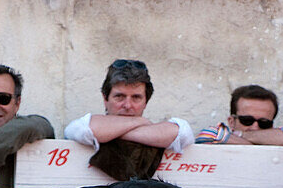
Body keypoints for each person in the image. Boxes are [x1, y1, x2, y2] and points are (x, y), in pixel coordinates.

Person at [64, 59, 194, 180]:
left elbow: (184, 133)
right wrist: (139, 122)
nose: (127, 105)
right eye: (119, 96)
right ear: (105, 99)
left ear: (145, 102)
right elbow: (82, 130)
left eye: (136, 97)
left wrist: (112, 132)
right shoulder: (82, 126)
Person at [194, 84, 283, 148]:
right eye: (247, 120)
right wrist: (257, 144)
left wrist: (241, 135)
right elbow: (208, 135)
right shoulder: (216, 134)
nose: (255, 127)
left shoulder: (227, 137)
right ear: (231, 122)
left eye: (264, 123)